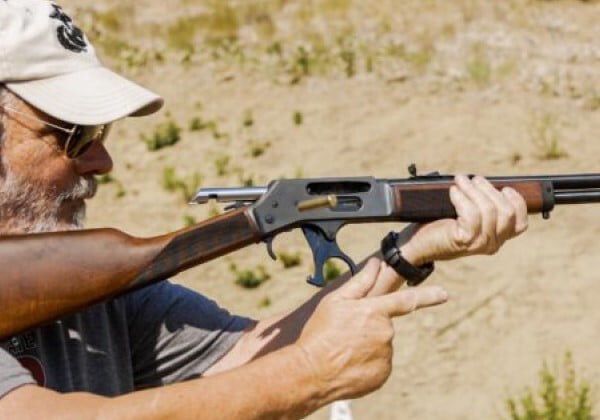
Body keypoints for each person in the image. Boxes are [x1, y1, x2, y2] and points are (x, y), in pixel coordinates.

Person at [0, 1, 529, 418]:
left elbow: (250, 356)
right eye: (76, 136)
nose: (103, 161)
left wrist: (405, 252)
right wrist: (313, 373)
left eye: (103, 134)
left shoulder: (85, 293)